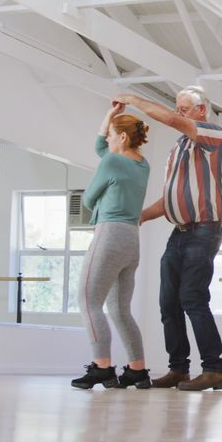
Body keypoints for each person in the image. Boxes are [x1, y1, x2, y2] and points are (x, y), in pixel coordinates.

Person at [113, 88, 222, 392]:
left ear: (201, 111)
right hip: (178, 233)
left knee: (192, 298)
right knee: (168, 304)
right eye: (178, 109)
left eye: (185, 109)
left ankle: (214, 370)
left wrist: (134, 101)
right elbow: (169, 200)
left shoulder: (212, 136)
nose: (180, 114)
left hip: (204, 231)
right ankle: (179, 369)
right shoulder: (178, 149)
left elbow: (168, 120)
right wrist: (138, 216)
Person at [71, 103, 152, 390]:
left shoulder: (112, 162)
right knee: (120, 310)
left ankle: (102, 367)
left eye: (111, 134)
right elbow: (101, 147)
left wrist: (99, 200)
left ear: (123, 138)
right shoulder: (141, 165)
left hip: (109, 234)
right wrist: (110, 116)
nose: (106, 138)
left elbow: (88, 198)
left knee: (88, 300)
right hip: (131, 239)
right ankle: (137, 371)